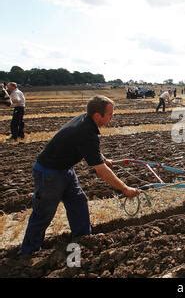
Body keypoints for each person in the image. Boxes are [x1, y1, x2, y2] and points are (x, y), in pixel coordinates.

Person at [20, 96, 139, 255]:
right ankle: (27, 253)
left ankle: (83, 238)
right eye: (110, 114)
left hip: (64, 170)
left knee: (78, 201)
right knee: (43, 213)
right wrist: (125, 189)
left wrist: (102, 159)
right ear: (98, 115)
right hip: (49, 174)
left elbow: (88, 148)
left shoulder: (86, 121)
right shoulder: (86, 131)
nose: (112, 117)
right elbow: (101, 171)